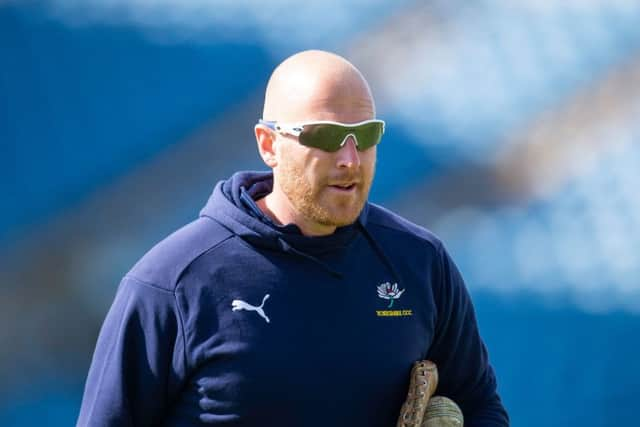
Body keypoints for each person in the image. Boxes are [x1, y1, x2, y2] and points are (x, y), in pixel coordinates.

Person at [77, 50, 509, 426]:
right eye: (325, 136)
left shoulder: (420, 262)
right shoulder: (169, 284)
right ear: (269, 144)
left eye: (365, 136)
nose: (349, 159)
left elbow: (479, 405)